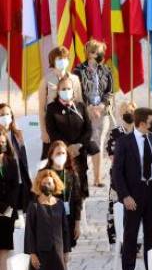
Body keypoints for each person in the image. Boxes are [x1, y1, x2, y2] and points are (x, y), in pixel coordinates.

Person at [111, 107, 152, 270]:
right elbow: (117, 173)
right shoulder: (124, 142)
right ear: (142, 123)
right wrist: (125, 196)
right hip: (133, 194)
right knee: (131, 233)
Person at [44, 75, 95, 198]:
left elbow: (88, 129)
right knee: (61, 192)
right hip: (60, 155)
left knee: (80, 193)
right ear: (58, 90)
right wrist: (67, 147)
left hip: (79, 154)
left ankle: (79, 216)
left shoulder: (81, 107)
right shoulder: (52, 108)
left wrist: (78, 145)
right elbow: (52, 131)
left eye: (68, 88)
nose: (66, 91)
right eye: (63, 89)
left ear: (73, 90)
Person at [73, 39, 114, 187]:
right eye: (95, 52)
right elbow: (76, 91)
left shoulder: (106, 70)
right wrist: (88, 107)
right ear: (89, 54)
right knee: (81, 145)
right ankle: (79, 177)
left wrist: (102, 105)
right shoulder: (78, 71)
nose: (99, 55)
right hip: (83, 114)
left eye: (100, 52)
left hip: (102, 113)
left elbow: (109, 92)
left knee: (99, 144)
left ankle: (97, 179)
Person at [39, 45, 83, 159]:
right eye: (59, 59)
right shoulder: (46, 81)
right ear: (52, 61)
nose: (62, 61)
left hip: (72, 126)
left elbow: (79, 105)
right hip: (53, 126)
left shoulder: (75, 79)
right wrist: (43, 131)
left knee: (75, 164)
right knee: (50, 162)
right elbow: (41, 108)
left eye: (65, 58)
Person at [41, 141, 83, 250]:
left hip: (68, 219)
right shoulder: (44, 174)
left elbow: (78, 200)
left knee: (65, 255)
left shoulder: (72, 174)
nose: (61, 156)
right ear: (51, 155)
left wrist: (77, 223)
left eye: (63, 153)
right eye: (58, 153)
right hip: (50, 221)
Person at [105, 100, 136, 246]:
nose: (128, 114)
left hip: (136, 178)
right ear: (120, 114)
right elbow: (112, 155)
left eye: (131, 111)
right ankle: (118, 239)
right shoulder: (115, 132)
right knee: (117, 206)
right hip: (119, 176)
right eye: (125, 112)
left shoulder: (140, 132)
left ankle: (134, 241)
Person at [0, 103, 31, 213]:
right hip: (4, 180)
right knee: (7, 213)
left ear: (11, 116)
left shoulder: (18, 134)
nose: (5, 117)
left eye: (7, 114)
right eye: (2, 114)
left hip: (19, 177)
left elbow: (23, 158)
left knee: (20, 211)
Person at [0, 132, 20, 270]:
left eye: (3, 142)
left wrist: (8, 208)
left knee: (5, 246)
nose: (2, 144)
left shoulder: (11, 162)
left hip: (8, 212)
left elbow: (15, 188)